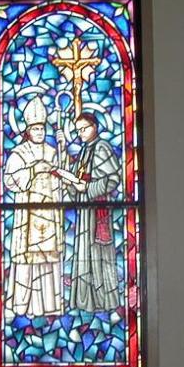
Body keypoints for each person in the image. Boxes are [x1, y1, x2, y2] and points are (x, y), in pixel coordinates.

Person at [3, 96, 63, 317]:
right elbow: (9, 179)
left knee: (48, 257)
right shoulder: (20, 153)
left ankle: (49, 305)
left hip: (49, 210)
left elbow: (63, 176)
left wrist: (63, 149)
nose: (40, 132)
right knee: (26, 259)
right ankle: (23, 306)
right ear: (28, 131)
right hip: (28, 214)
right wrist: (33, 170)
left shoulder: (52, 151)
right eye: (36, 129)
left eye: (42, 129)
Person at [61, 112, 122, 312]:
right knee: (84, 252)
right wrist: (70, 182)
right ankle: (84, 300)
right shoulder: (84, 151)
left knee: (98, 253)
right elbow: (78, 179)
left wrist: (87, 188)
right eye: (78, 130)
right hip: (85, 211)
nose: (81, 133)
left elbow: (113, 179)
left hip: (97, 210)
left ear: (95, 126)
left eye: (84, 128)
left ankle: (103, 301)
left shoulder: (102, 147)